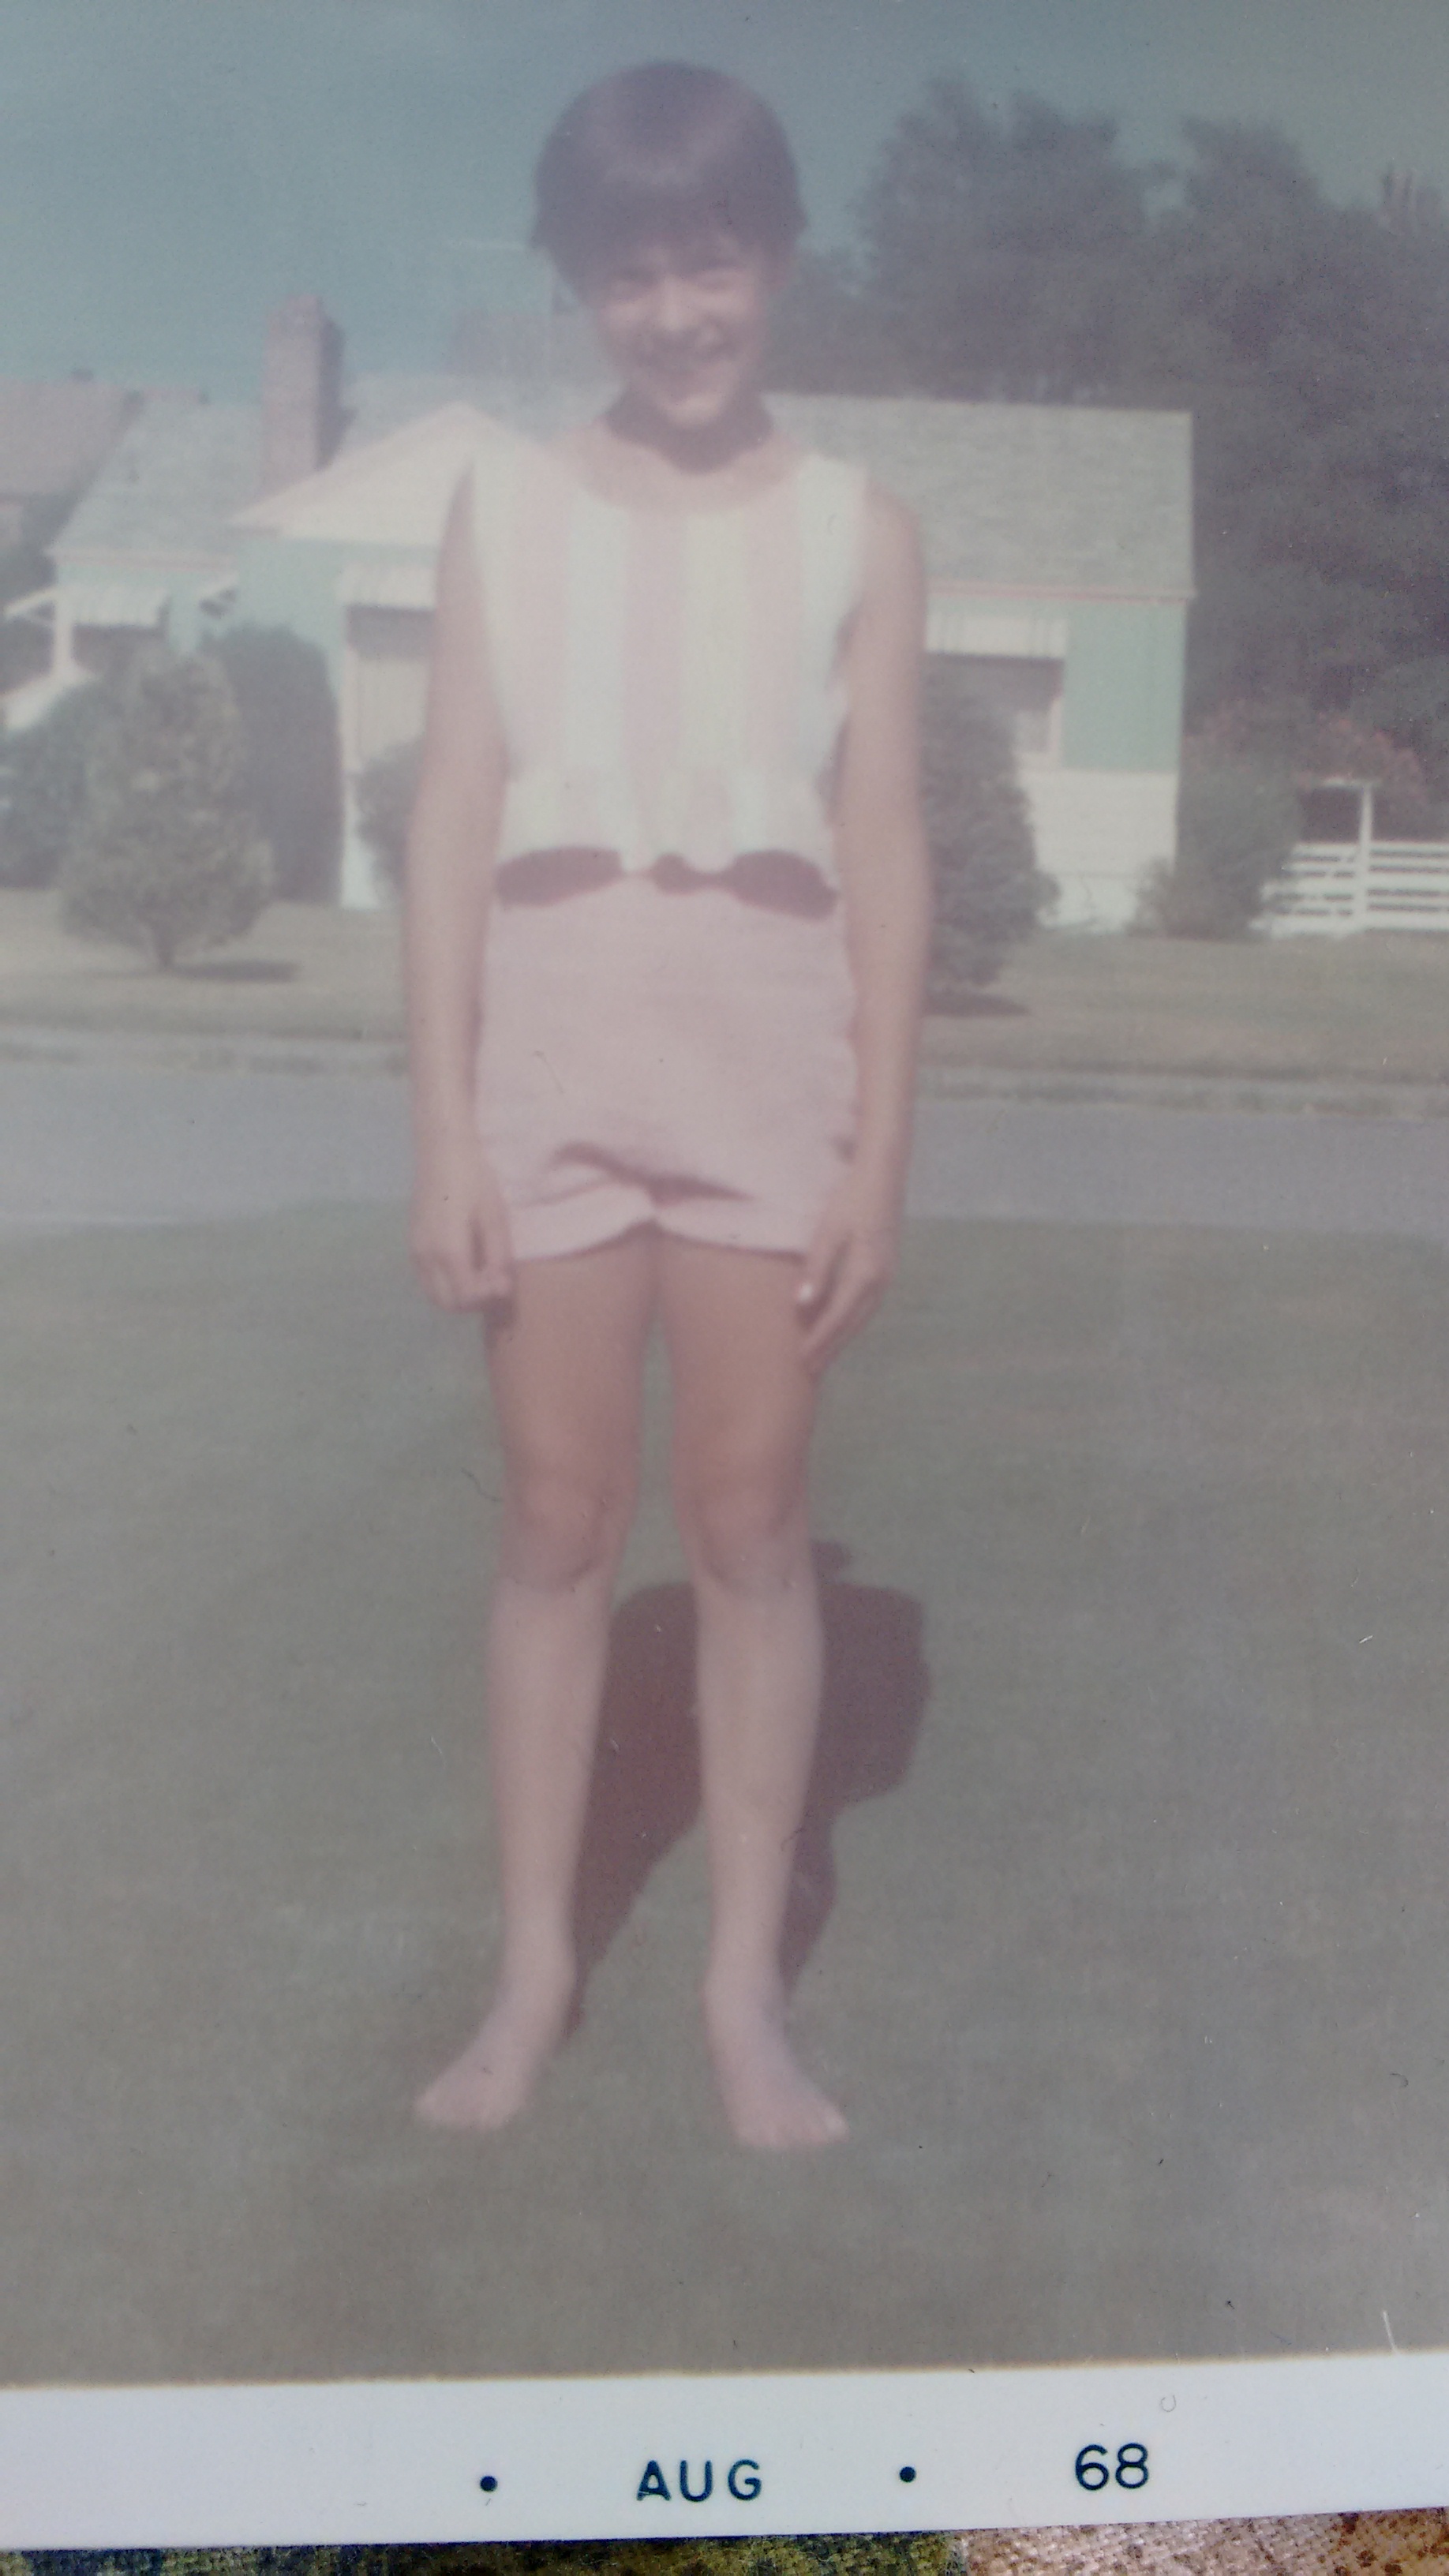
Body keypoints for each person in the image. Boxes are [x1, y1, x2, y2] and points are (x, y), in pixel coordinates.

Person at [405, 60, 930, 2149]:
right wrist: (443, 1130)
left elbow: (883, 844)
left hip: (763, 1058)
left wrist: (877, 1157)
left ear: (776, 260)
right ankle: (534, 1970)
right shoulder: (505, 504)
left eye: (710, 263)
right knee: (556, 1522)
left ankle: (738, 1997)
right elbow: (452, 814)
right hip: (550, 1047)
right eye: (629, 274)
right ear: (579, 285)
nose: (675, 312)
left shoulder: (855, 526)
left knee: (745, 1523)